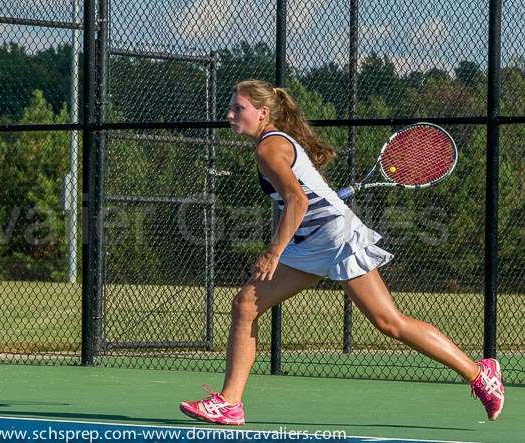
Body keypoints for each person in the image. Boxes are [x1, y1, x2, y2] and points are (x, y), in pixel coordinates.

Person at [179, 79, 505, 425]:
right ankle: (230, 402)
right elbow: (285, 204)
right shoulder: (269, 145)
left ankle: (479, 373)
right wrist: (279, 245)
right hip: (310, 243)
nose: (230, 114)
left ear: (262, 113)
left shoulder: (269, 149)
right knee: (246, 304)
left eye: (238, 108)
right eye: (232, 108)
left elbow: (297, 200)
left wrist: (273, 253)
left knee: (388, 322)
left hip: (336, 238)